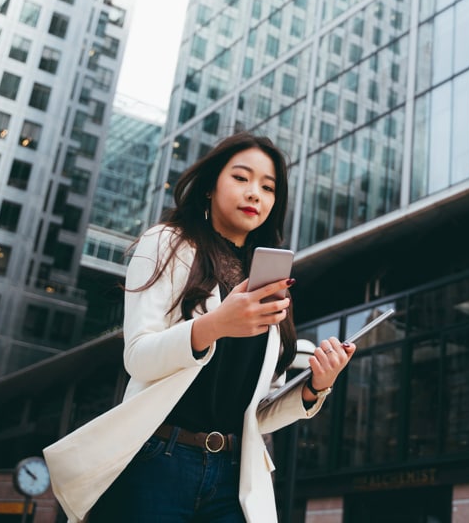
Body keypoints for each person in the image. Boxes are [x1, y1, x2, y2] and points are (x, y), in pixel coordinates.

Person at [43, 133, 355, 522]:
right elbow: (137, 357)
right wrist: (215, 325)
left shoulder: (267, 279)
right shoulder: (169, 243)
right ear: (210, 187)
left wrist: (313, 388)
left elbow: (254, 415)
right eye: (241, 178)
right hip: (160, 460)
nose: (254, 193)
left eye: (267, 186)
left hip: (234, 477)